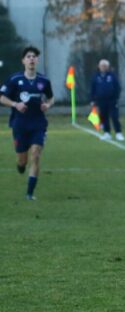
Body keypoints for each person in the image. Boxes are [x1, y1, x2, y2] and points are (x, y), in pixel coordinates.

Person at [0, 46, 54, 200]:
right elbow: (2, 97)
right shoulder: (15, 79)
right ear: (23, 61)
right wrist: (15, 104)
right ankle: (21, 165)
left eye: (34, 56)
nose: (31, 59)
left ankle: (30, 193)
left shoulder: (44, 80)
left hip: (38, 123)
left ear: (37, 61)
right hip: (20, 124)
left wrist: (48, 105)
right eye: (28, 56)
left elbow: (51, 98)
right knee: (22, 160)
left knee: (36, 155)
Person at [90, 59, 124, 141]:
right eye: (102, 66)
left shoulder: (112, 76)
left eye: (105, 66)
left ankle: (118, 133)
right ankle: (107, 133)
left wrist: (116, 97)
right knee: (103, 117)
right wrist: (92, 100)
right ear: (99, 66)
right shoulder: (95, 76)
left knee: (114, 116)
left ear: (108, 67)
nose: (103, 67)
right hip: (100, 101)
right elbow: (92, 89)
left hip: (112, 100)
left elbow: (117, 87)